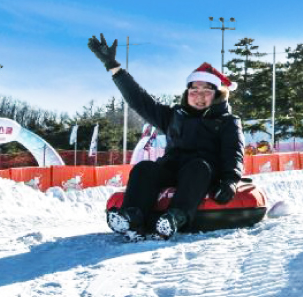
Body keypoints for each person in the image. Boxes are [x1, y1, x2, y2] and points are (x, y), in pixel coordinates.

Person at [88, 34, 245, 238]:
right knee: (145, 168)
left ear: (217, 95)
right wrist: (113, 66)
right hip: (173, 168)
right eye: (194, 90)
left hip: (203, 173)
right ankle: (131, 217)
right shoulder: (174, 116)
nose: (199, 96)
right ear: (187, 93)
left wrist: (230, 181)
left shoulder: (227, 121)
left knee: (198, 167)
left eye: (206, 91)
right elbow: (140, 100)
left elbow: (234, 154)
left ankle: (175, 217)